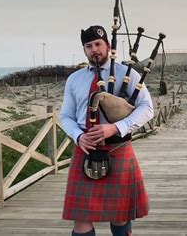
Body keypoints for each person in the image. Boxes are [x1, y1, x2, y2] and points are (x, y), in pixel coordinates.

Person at [60, 25, 153, 236]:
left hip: (117, 147)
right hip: (85, 150)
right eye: (89, 46)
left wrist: (115, 127)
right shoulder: (74, 79)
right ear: (84, 50)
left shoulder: (127, 74)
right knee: (81, 220)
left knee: (120, 217)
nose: (94, 50)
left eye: (98, 44)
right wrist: (78, 136)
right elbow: (65, 116)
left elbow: (147, 108)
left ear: (108, 46)